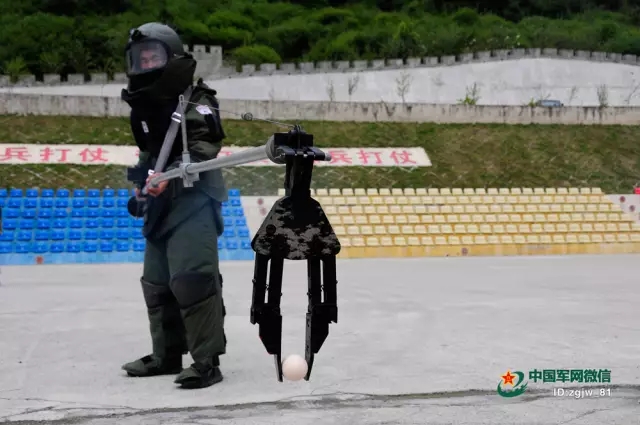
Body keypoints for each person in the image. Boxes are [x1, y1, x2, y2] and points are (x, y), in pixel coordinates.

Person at [119, 22, 228, 389]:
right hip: (160, 204)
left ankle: (207, 362)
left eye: (154, 56)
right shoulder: (147, 109)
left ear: (172, 56)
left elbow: (204, 146)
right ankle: (166, 355)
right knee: (156, 283)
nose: (147, 63)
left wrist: (172, 173)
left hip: (194, 201)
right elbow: (148, 154)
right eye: (142, 58)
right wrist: (142, 184)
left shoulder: (199, 100)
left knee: (193, 279)